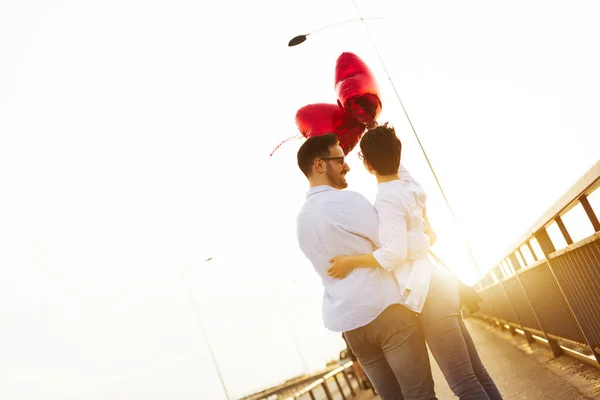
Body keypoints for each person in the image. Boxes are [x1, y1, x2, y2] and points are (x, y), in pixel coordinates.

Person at [327, 124, 503, 400]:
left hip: (430, 294)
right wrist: (371, 128)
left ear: (368, 165)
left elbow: (393, 253)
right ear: (398, 153)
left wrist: (351, 262)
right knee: (476, 374)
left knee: (463, 383)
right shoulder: (409, 185)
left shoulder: (386, 198)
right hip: (441, 288)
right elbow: (392, 156)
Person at [296, 133, 437, 400]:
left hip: (351, 326)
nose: (347, 166)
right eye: (340, 160)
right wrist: (427, 237)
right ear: (319, 165)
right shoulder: (347, 200)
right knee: (421, 396)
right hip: (385, 310)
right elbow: (393, 245)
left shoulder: (301, 221)